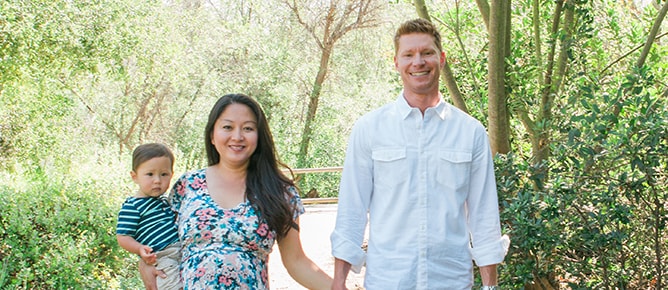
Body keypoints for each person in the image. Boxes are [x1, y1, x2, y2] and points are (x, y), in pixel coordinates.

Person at [330, 18, 510, 290]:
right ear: (396, 62)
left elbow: (484, 215)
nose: (418, 62)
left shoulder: (470, 132)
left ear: (442, 58)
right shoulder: (369, 129)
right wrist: (338, 283)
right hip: (388, 281)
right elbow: (351, 211)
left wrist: (490, 287)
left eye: (427, 53)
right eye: (409, 54)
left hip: (452, 281)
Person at [140, 93, 332, 289]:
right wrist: (144, 262)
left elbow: (296, 261)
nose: (237, 136)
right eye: (227, 127)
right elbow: (160, 240)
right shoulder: (187, 185)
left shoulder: (279, 192)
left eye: (248, 128)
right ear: (212, 136)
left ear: (259, 137)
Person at [116, 143, 182, 290]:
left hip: (182, 251)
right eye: (150, 174)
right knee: (174, 285)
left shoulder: (166, 201)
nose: (157, 180)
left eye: (164, 174)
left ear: (172, 175)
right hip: (162, 256)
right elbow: (123, 236)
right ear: (135, 177)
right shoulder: (133, 206)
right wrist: (139, 249)